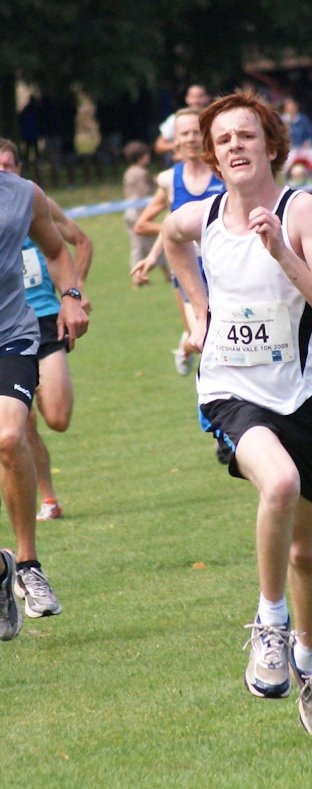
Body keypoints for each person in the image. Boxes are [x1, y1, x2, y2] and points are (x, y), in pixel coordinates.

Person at [162, 90, 312, 734]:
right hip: (231, 394)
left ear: (272, 145)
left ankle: (310, 659)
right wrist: (198, 311)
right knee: (279, 482)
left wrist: (282, 254)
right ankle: (269, 624)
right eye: (222, 141)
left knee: (305, 551)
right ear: (213, 159)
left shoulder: (303, 212)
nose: (234, 147)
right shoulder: (206, 215)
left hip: (309, 404)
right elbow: (170, 235)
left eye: (246, 135)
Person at [0, 167, 88, 640]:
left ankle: (28, 565)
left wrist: (71, 295)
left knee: (11, 436)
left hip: (11, 336)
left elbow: (57, 249)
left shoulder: (21, 195)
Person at [0, 138, 93, 520]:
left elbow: (77, 241)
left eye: (8, 164)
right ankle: (48, 497)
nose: (3, 170)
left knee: (56, 416)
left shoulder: (30, 199)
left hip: (42, 317)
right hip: (12, 326)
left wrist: (74, 293)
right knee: (16, 426)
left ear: (19, 166)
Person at [131, 108, 225, 376]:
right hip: (185, 268)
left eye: (197, 131)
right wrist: (152, 258)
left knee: (219, 332)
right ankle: (189, 353)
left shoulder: (222, 171)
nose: (192, 138)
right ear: (175, 139)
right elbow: (146, 224)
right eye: (185, 133)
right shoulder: (169, 180)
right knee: (204, 337)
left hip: (221, 263)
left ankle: (185, 347)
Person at [122, 140, 167, 281]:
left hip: (128, 212)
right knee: (154, 244)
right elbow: (145, 194)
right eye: (147, 155)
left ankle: (137, 276)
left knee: (137, 246)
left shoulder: (128, 172)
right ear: (141, 157)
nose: (149, 158)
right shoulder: (142, 173)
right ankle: (166, 275)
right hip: (138, 213)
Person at [154, 85, 211, 162]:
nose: (196, 100)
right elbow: (159, 146)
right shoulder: (175, 119)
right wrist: (180, 146)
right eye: (193, 97)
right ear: (187, 99)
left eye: (200, 97)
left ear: (207, 98)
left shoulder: (214, 119)